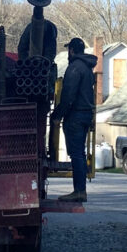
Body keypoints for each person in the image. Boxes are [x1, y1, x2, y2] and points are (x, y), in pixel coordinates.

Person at [50, 37, 97, 203]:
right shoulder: (87, 68)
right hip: (85, 115)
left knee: (76, 154)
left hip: (75, 117)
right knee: (80, 154)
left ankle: (79, 191)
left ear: (71, 50)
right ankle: (80, 189)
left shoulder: (74, 69)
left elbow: (68, 96)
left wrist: (57, 116)